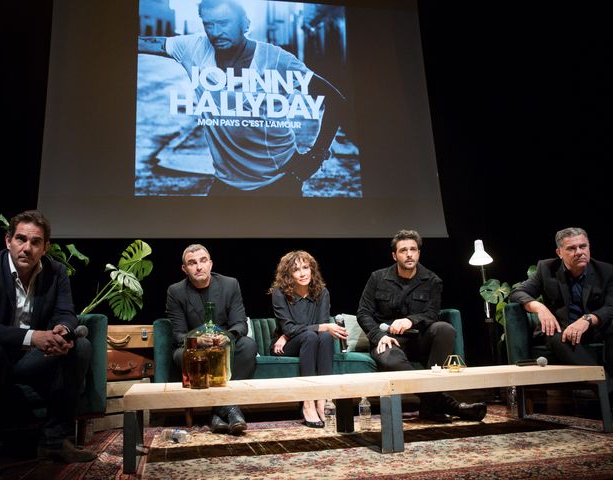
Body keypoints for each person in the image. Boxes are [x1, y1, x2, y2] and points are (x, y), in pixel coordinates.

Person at [0, 210, 96, 480]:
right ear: (8, 241)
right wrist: (33, 337)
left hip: (27, 361)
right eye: (21, 239)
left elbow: (66, 313)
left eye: (36, 242)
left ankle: (54, 442)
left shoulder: (56, 272)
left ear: (45, 247)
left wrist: (63, 329)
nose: (27, 247)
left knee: (80, 347)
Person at [138, 0, 346, 196]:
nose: (216, 33)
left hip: (279, 183)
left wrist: (317, 155)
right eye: (209, 24)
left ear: (244, 24)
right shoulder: (193, 48)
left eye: (224, 23)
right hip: (225, 184)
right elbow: (145, 43)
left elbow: (335, 100)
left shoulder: (275, 58)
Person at [509, 227, 613, 426]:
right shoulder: (546, 268)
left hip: (596, 329)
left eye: (583, 246)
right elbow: (517, 293)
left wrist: (587, 319)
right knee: (554, 334)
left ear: (589, 247)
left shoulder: (607, 271)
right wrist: (539, 307)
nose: (579, 252)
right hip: (564, 333)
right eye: (571, 248)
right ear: (559, 253)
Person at [357, 229, 487, 423]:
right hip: (388, 341)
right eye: (403, 250)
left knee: (444, 329)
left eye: (413, 249)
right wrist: (378, 336)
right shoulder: (378, 278)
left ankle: (430, 406)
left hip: (420, 340)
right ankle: (447, 406)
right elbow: (363, 313)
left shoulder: (432, 280)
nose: (409, 254)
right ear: (395, 255)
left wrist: (411, 320)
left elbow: (432, 314)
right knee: (391, 359)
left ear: (419, 252)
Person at [166, 244, 257, 434]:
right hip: (195, 347)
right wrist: (198, 340)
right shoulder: (176, 291)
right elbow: (178, 335)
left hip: (223, 345)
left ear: (210, 264)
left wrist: (226, 337)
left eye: (203, 261)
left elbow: (240, 324)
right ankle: (229, 410)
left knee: (248, 345)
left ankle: (216, 412)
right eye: (192, 263)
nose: (199, 267)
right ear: (185, 269)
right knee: (179, 355)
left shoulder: (230, 284)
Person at [269, 250, 347, 428]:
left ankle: (323, 399)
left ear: (312, 269)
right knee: (315, 334)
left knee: (325, 337)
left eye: (306, 268)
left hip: (302, 339)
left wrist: (291, 332)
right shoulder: (279, 293)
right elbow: (289, 327)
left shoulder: (321, 292)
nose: (303, 273)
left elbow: (314, 327)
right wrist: (287, 334)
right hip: (285, 346)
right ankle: (308, 402)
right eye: (296, 270)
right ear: (288, 275)